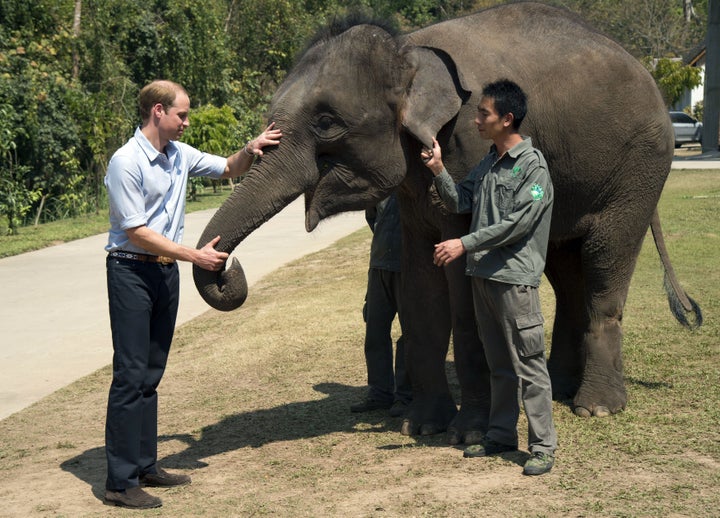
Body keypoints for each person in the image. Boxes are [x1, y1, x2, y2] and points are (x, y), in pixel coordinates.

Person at [103, 79, 282, 509]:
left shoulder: (179, 155)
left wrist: (252, 147)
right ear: (157, 112)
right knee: (130, 375)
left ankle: (145, 465)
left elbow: (228, 168)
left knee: (151, 373)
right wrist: (192, 256)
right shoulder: (126, 161)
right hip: (131, 271)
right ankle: (119, 482)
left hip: (165, 274)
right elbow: (136, 232)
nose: (187, 122)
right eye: (182, 114)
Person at [421, 79, 557, 476]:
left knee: (529, 363)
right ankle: (500, 434)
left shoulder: (534, 168)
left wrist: (463, 244)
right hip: (483, 275)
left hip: (514, 279)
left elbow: (518, 223)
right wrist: (439, 170)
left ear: (507, 119)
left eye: (484, 113)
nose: (477, 119)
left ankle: (543, 446)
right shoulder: (489, 162)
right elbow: (460, 200)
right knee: (498, 363)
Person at [350, 192, 412, 418]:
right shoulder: (382, 186)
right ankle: (380, 393)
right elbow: (372, 218)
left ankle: (406, 396)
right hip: (379, 265)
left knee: (409, 336)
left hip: (409, 268)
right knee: (375, 332)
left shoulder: (417, 181)